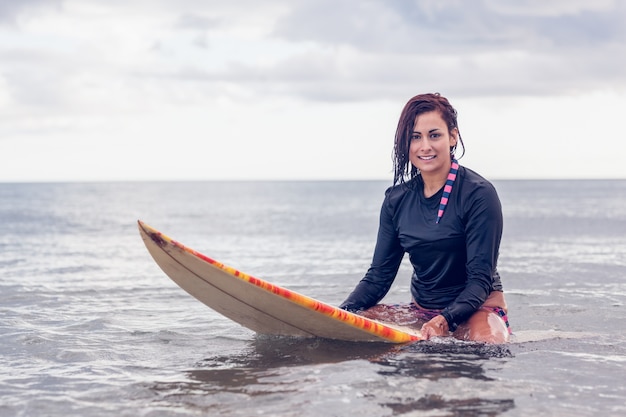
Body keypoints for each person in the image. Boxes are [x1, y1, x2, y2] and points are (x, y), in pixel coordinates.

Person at [339, 93, 511, 344]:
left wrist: (445, 319)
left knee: (488, 346)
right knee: (354, 329)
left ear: (453, 136)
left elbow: (479, 281)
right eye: (415, 137)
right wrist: (341, 313)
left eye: (434, 135)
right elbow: (379, 277)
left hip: (477, 309)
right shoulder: (396, 200)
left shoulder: (479, 194)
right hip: (423, 311)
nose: (425, 146)